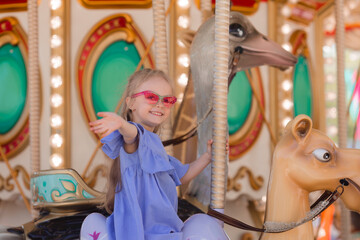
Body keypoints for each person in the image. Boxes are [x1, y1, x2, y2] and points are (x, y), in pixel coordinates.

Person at [88, 68, 213, 240]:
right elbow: (132, 135)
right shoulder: (134, 141)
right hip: (142, 232)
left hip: (163, 229)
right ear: (131, 103)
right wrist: (122, 124)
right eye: (151, 97)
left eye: (167, 100)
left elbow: (181, 176)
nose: (160, 104)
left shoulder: (155, 149)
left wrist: (207, 157)